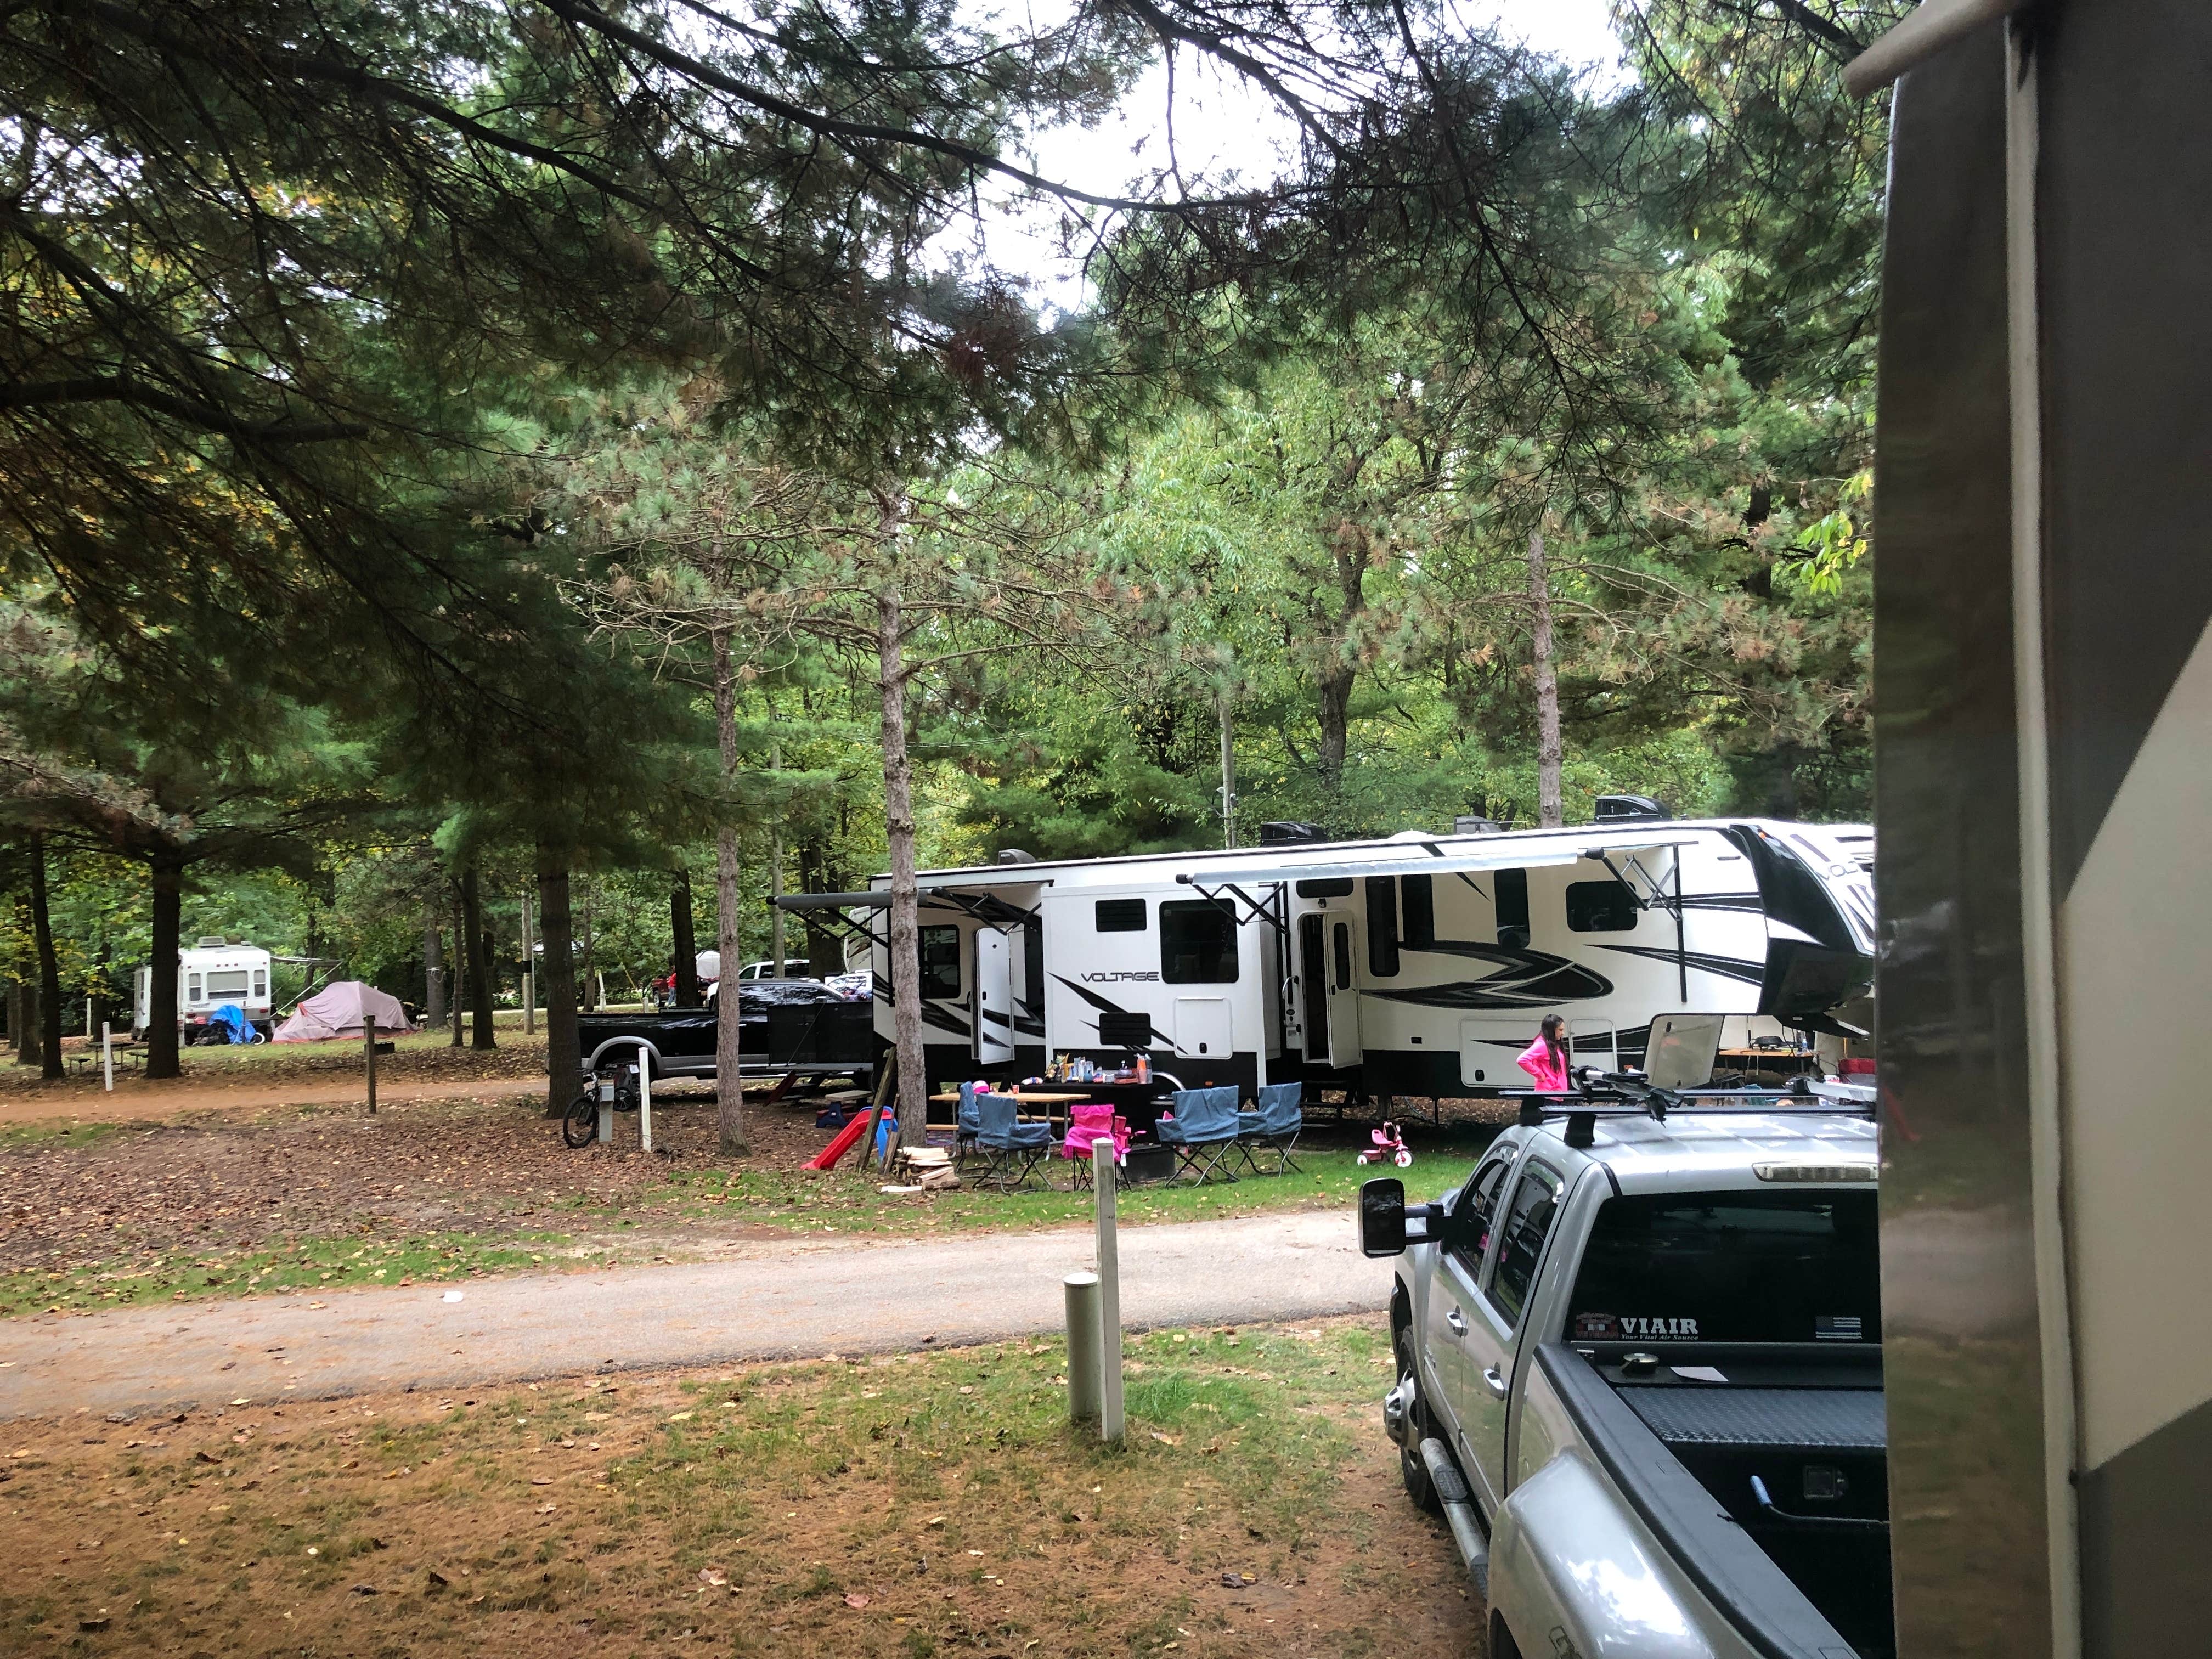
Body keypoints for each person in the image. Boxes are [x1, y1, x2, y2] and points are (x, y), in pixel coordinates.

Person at [1517, 1013, 1572, 1093]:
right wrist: (1540, 1074)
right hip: (1548, 1091)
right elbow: (1522, 1059)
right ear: (1551, 1030)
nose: (1563, 1033)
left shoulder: (1553, 1044)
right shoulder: (1542, 1045)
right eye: (1560, 1030)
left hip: (1558, 1091)